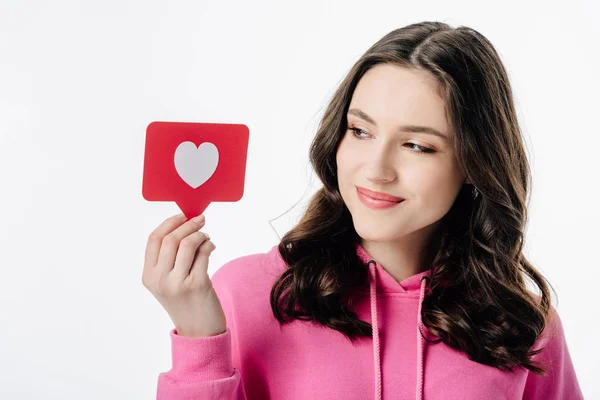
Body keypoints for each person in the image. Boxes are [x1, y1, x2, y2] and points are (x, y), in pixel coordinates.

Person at [142, 21, 584, 399]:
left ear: (474, 163)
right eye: (360, 131)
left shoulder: (521, 324)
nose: (376, 170)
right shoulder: (248, 294)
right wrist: (199, 338)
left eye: (417, 145)